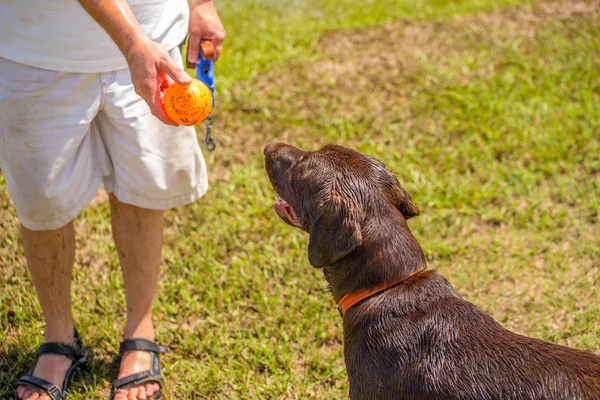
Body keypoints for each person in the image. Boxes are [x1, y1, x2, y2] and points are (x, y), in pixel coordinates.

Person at [0, 0, 225, 399]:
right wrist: (132, 39)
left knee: (143, 184)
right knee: (42, 202)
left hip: (152, 37)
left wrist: (201, 5)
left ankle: (140, 329)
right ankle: (59, 337)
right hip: (36, 47)